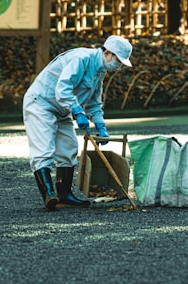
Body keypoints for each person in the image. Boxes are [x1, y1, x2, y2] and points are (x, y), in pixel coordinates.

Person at [23, 35, 133, 211]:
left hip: (63, 107)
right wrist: (78, 112)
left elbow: (94, 103)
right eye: (118, 60)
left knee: (69, 147)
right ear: (107, 52)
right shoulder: (81, 58)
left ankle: (64, 194)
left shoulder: (100, 71)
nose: (118, 66)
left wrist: (100, 126)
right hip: (41, 102)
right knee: (44, 148)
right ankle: (49, 195)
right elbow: (63, 88)